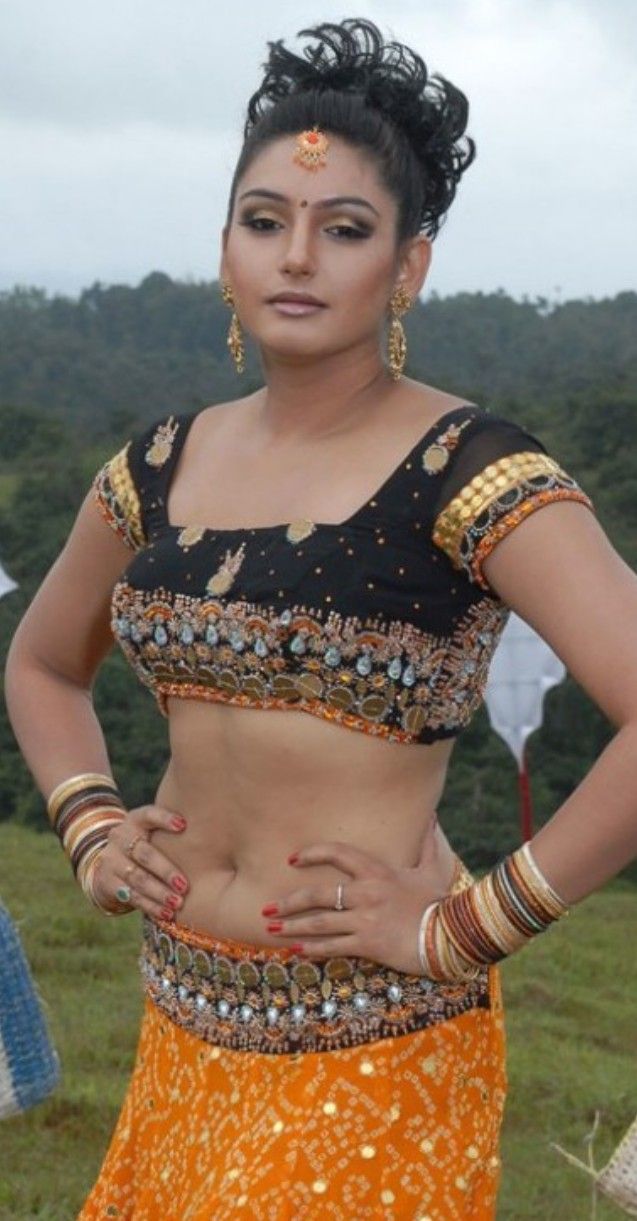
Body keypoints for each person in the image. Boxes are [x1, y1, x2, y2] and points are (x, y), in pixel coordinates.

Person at [5, 17, 637, 1220]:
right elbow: (41, 663)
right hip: (179, 1022)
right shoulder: (156, 466)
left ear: (408, 267)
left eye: (344, 229)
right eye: (264, 221)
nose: (297, 255)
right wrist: (89, 827)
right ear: (227, 249)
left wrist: (469, 926)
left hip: (374, 1041)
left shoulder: (471, 473)